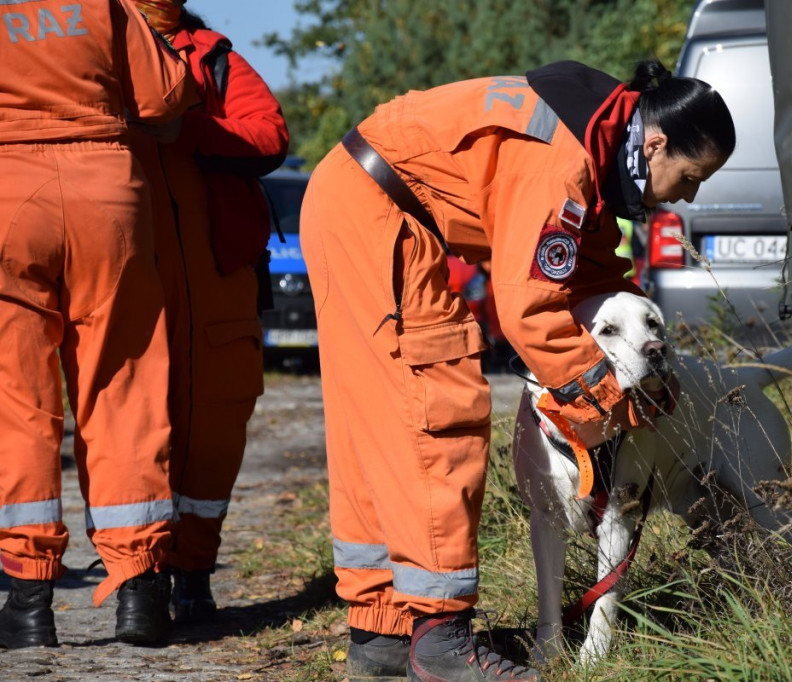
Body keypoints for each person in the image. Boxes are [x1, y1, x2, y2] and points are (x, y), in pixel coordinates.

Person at [300, 59, 734, 680]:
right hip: (378, 216)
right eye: (690, 177)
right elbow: (529, 308)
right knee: (436, 410)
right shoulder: (563, 159)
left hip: (360, 201)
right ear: (656, 143)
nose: (688, 196)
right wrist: (611, 398)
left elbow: (585, 273)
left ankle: (385, 635)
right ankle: (441, 640)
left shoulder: (594, 134)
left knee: (382, 425)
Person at [0, 0, 195, 648]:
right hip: (105, 190)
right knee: (122, 385)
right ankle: (139, 591)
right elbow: (168, 96)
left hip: (6, 193)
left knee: (17, 405)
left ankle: (28, 603)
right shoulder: (101, 4)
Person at [128, 0, 289, 624]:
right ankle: (138, 581)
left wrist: (190, 132)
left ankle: (192, 574)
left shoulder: (211, 53)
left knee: (215, 430)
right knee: (130, 425)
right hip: (123, 274)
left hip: (218, 280)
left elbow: (270, 134)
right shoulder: (87, 47)